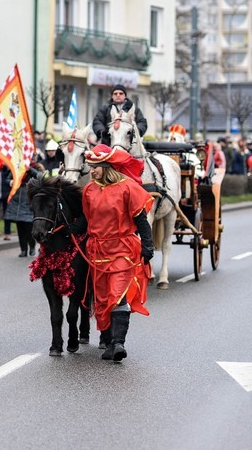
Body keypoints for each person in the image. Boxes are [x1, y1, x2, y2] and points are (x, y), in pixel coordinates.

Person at [68, 144, 154, 363]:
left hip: (122, 250)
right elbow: (87, 221)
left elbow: (141, 220)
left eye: (95, 167)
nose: (92, 171)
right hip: (97, 251)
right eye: (90, 166)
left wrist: (148, 246)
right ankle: (107, 340)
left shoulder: (128, 188)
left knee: (117, 295)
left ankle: (118, 344)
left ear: (107, 166)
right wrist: (68, 230)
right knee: (103, 299)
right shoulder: (89, 190)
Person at [4, 166, 42, 257]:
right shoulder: (16, 168)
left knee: (29, 228)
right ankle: (23, 250)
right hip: (16, 202)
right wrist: (11, 181)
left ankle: (32, 247)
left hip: (27, 201)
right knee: (20, 229)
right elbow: (7, 179)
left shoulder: (32, 169)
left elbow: (40, 177)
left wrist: (30, 170)